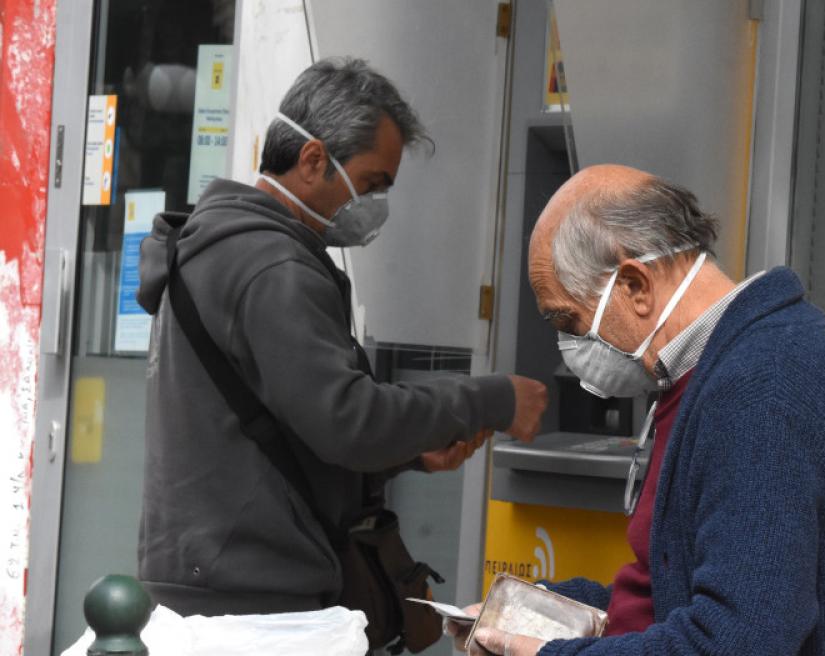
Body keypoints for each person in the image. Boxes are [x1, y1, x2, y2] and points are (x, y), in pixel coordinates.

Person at [136, 57, 547, 615]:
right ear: (313, 160)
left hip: (214, 575)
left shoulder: (223, 243)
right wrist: (493, 399)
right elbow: (349, 420)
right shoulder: (272, 264)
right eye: (372, 184)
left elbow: (293, 422)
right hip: (253, 596)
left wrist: (408, 454)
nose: (375, 207)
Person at [451, 165, 825, 655]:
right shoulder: (725, 367)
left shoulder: (763, 387)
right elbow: (673, 595)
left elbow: (734, 642)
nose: (570, 346)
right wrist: (542, 615)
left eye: (569, 322)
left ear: (635, 286)